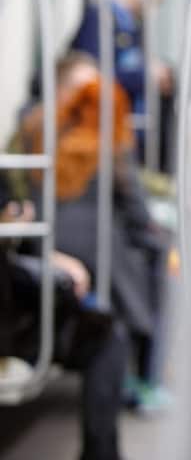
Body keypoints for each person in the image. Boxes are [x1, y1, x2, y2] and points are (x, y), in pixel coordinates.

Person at [15, 53, 172, 413]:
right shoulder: (106, 134)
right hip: (96, 245)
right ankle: (148, 374)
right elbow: (133, 202)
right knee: (159, 256)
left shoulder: (30, 128)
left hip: (42, 238)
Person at [0, 196, 128, 460]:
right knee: (106, 337)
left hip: (18, 311)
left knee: (106, 333)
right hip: (14, 319)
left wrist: (48, 254)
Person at [71, 0, 173, 167]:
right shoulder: (100, 18)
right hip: (103, 131)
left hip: (122, 130)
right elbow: (92, 74)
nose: (152, 8)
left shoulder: (130, 24)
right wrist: (145, 74)